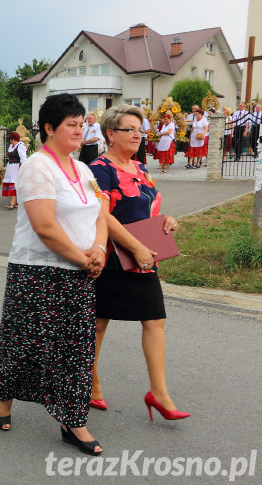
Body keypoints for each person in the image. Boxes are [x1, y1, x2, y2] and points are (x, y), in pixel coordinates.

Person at [0, 94, 107, 456]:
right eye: (71, 123)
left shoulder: (83, 169)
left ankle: (73, 421)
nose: (79, 129)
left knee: (77, 349)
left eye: (82, 123)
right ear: (50, 128)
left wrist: (99, 249)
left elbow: (100, 213)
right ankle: (3, 395)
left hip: (79, 273)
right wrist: (82, 258)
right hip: (37, 273)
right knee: (25, 344)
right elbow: (44, 226)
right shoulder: (38, 167)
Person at [89, 105, 190, 422]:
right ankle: (90, 384)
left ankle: (159, 394)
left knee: (155, 320)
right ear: (110, 134)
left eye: (140, 130)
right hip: (108, 258)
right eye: (130, 129)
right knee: (98, 323)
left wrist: (166, 221)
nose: (137, 135)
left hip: (144, 257)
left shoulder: (141, 168)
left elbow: (147, 209)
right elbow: (101, 214)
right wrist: (136, 245)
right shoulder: (99, 169)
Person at [1, 131, 26, 209]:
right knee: (13, 184)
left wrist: (24, 168)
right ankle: (17, 202)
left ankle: (12, 203)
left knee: (15, 185)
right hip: (11, 167)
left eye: (11, 139)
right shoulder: (11, 146)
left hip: (17, 167)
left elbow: (23, 158)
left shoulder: (20, 146)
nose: (10, 140)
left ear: (13, 138)